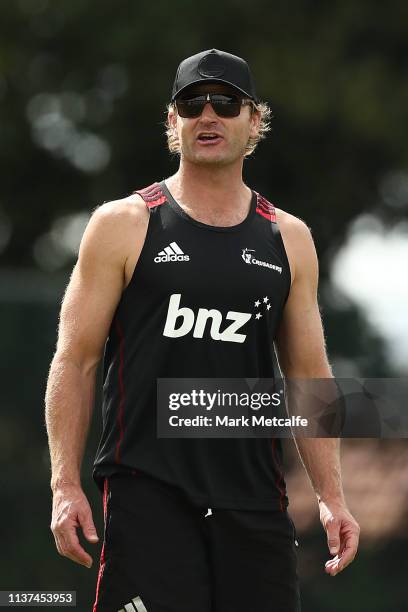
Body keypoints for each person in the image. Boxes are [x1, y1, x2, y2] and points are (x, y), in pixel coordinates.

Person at [45, 48, 360, 612]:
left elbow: (310, 373)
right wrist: (64, 484)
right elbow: (76, 359)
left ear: (253, 121)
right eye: (192, 104)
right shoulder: (122, 224)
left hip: (255, 499)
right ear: (173, 122)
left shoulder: (288, 238)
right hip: (148, 491)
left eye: (226, 103)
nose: (208, 115)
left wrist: (332, 496)